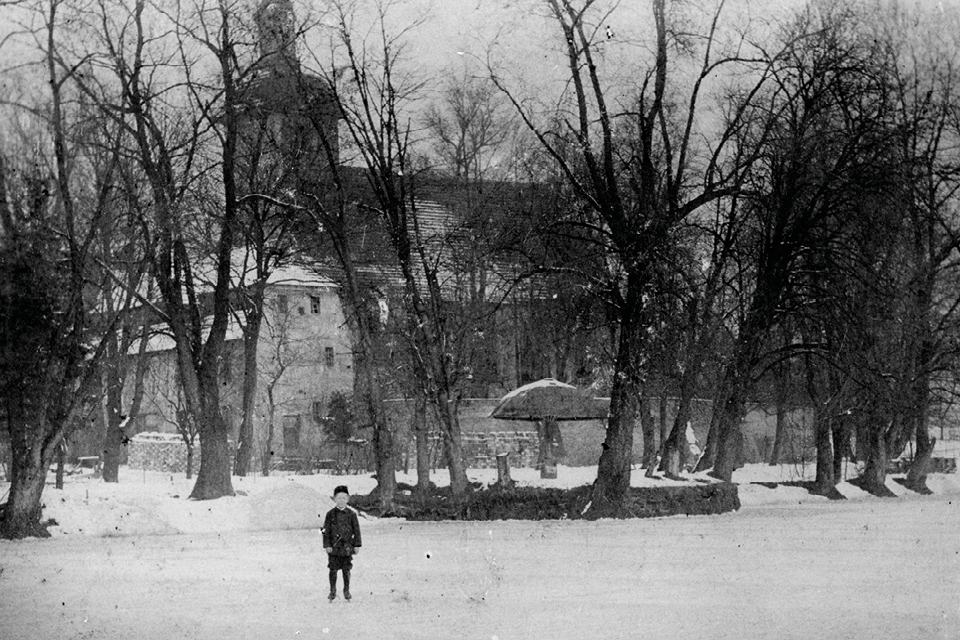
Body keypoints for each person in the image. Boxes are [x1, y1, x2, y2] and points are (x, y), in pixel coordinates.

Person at [321, 485, 362, 602]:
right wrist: (327, 545)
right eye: (339, 498)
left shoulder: (352, 514)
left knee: (346, 570)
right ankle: (332, 591)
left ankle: (346, 590)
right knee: (333, 570)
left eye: (344, 498)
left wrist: (357, 545)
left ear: (348, 499)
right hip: (334, 548)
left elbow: (357, 530)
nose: (341, 501)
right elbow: (325, 531)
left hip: (347, 547)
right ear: (334, 499)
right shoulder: (330, 514)